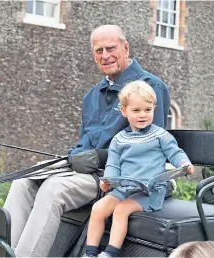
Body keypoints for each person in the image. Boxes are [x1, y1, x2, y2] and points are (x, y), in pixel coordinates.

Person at [3, 24, 171, 257]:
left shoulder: (151, 87)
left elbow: (153, 146)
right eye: (98, 51)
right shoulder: (92, 95)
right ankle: (4, 253)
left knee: (53, 189)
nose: (105, 56)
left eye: (111, 48)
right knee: (24, 181)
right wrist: (74, 155)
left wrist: (100, 157)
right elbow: (85, 141)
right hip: (84, 171)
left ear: (125, 47)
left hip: (116, 178)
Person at [83, 81, 195, 258]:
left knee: (121, 209)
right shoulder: (119, 139)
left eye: (148, 110)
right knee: (98, 207)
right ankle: (90, 253)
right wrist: (108, 181)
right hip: (126, 188)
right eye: (136, 111)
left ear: (153, 109)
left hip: (151, 191)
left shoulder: (160, 135)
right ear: (124, 111)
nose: (143, 115)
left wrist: (184, 164)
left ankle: (110, 254)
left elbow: (175, 153)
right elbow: (113, 164)